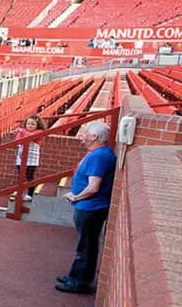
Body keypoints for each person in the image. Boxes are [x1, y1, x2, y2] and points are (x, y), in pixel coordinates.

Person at [56, 121, 115, 294]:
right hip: (89, 207)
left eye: (85, 133)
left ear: (95, 136)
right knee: (85, 244)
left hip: (91, 208)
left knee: (86, 246)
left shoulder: (99, 156)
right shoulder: (97, 153)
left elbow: (93, 187)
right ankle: (76, 276)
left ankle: (78, 282)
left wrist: (75, 196)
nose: (82, 136)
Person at [12, 115, 46, 202]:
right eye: (28, 124)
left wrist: (21, 131)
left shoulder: (39, 132)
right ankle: (20, 190)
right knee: (20, 176)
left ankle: (30, 194)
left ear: (37, 125)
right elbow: (17, 141)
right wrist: (20, 132)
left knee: (29, 176)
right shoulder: (23, 131)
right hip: (21, 157)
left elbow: (30, 136)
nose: (30, 126)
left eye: (32, 124)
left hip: (32, 159)